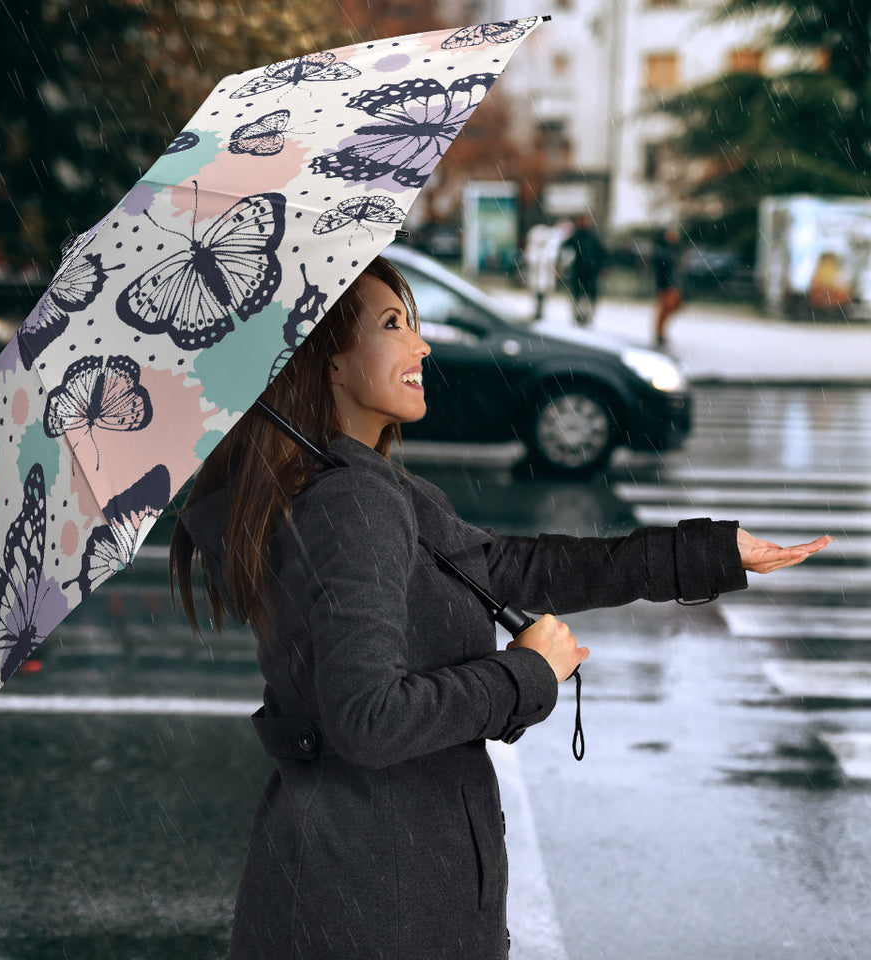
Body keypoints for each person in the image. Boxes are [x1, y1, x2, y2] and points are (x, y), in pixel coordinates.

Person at [170, 256, 830, 960]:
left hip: (364, 883)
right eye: (393, 325)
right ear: (328, 363)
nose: (421, 345)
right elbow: (368, 720)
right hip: (377, 903)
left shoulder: (362, 488)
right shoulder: (350, 504)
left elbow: (514, 567)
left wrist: (707, 554)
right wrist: (524, 673)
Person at [559, 213, 606, 327]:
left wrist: (601, 267)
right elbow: (565, 249)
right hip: (579, 270)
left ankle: (586, 316)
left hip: (590, 271)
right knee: (578, 294)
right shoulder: (576, 236)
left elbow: (601, 253)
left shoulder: (592, 237)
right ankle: (578, 315)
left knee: (588, 295)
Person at [652, 226, 684, 347]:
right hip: (666, 284)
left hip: (674, 283)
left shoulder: (674, 249)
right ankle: (659, 333)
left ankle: (661, 331)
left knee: (673, 306)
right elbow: (661, 265)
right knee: (665, 308)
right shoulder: (662, 250)